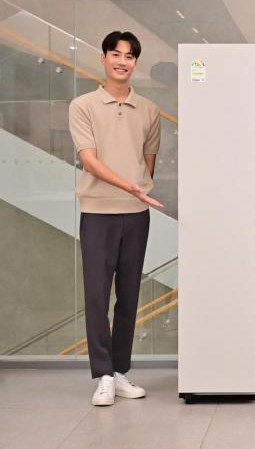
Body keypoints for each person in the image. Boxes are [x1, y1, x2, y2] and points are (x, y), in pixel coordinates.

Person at [69, 30, 164, 406]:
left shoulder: (150, 110)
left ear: (135, 62)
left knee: (129, 296)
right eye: (115, 54)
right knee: (96, 296)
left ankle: (121, 371)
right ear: (103, 58)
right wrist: (131, 185)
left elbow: (148, 160)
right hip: (97, 212)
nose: (122, 61)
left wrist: (139, 188)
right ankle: (103, 375)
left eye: (129, 56)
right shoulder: (83, 105)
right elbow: (89, 159)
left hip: (137, 214)